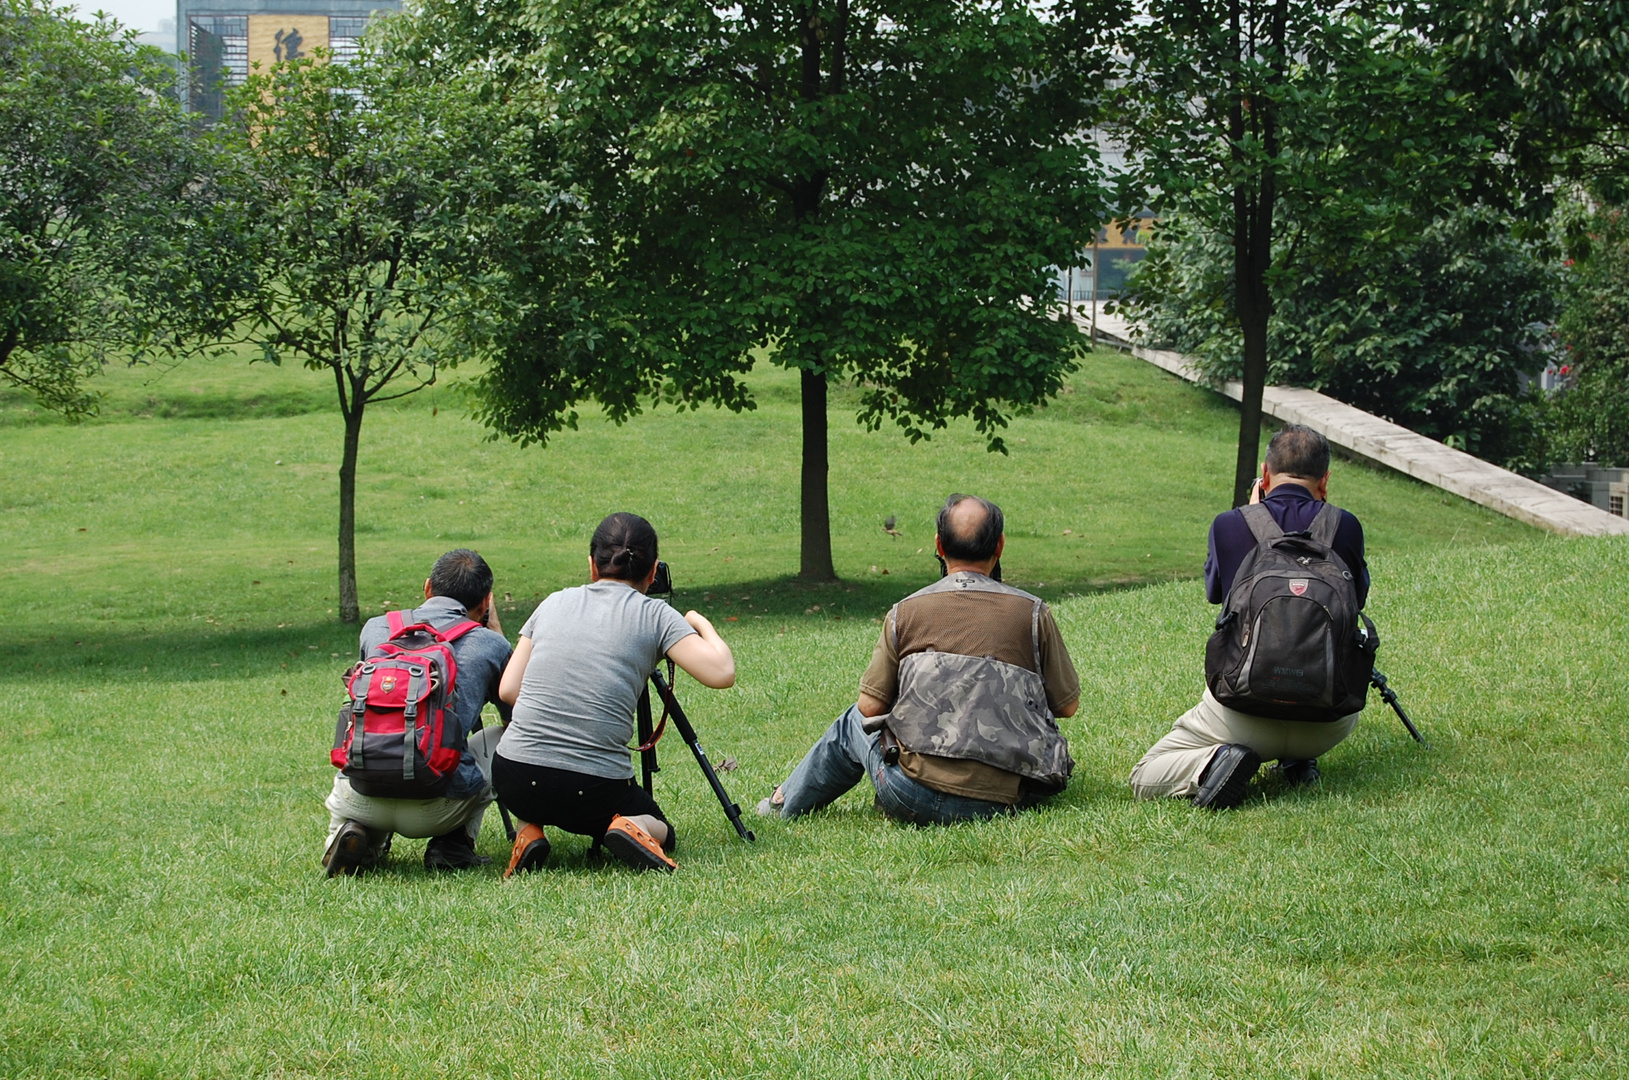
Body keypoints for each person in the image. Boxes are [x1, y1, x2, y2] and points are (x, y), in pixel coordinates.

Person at [759, 494, 1080, 825]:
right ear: (1000, 545)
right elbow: (1066, 706)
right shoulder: (1032, 613)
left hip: (910, 794)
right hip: (1005, 800)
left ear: (939, 545)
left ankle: (782, 804)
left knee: (852, 721)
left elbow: (869, 708)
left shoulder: (905, 612)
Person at [1129, 424, 1370, 808]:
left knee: (1146, 773)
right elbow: (1356, 599)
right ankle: (1298, 760)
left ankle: (1216, 763)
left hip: (1242, 713)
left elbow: (1216, 594)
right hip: (1328, 719)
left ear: (1265, 473)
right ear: (1325, 481)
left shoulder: (1231, 523)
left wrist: (1254, 517)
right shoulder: (1346, 526)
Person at [492, 512, 735, 875]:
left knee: (535, 786)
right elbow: (722, 673)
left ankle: (529, 829)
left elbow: (509, 690)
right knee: (663, 830)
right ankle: (629, 827)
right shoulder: (655, 615)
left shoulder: (553, 603)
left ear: (592, 565)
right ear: (653, 572)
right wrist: (699, 621)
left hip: (512, 776)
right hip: (592, 794)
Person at [323, 549, 514, 875]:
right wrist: (494, 629)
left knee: (382, 734)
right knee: (505, 739)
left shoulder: (375, 628)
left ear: (428, 588)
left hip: (359, 793)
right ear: (486, 601)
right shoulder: (490, 644)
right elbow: (515, 715)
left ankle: (357, 834)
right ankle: (453, 844)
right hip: (437, 808)